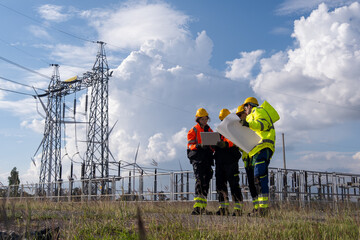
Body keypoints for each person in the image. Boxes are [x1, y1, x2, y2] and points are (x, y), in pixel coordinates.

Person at [241, 97, 279, 216]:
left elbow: (263, 124)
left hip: (263, 147)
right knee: (257, 178)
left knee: (260, 177)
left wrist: (248, 123)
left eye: (245, 107)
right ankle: (261, 209)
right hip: (257, 149)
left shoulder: (258, 111)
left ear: (250, 106)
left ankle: (263, 209)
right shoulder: (251, 116)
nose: (244, 110)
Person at [214, 108, 243, 216]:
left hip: (231, 161)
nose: (223, 122)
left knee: (234, 185)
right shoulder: (219, 131)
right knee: (220, 185)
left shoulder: (234, 130)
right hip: (220, 161)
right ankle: (223, 208)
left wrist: (225, 144)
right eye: (221, 120)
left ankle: (238, 209)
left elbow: (236, 142)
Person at [187, 107, 214, 215]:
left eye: (206, 119)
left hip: (207, 158)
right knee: (200, 181)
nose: (205, 121)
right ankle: (197, 207)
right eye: (202, 119)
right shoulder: (193, 130)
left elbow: (213, 144)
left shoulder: (209, 130)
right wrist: (199, 145)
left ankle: (203, 207)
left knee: (206, 182)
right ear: (198, 119)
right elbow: (190, 145)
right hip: (198, 158)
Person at [236, 104, 259, 213]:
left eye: (241, 114)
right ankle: (256, 207)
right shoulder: (241, 128)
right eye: (239, 115)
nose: (240, 117)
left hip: (255, 157)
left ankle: (260, 207)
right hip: (247, 160)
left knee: (256, 182)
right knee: (251, 184)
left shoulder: (252, 123)